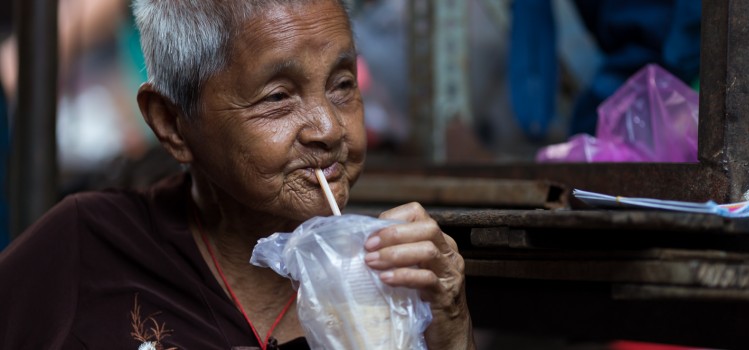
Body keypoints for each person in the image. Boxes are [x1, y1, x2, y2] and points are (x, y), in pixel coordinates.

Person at [0, 0, 475, 349]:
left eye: (342, 84)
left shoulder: (394, 280)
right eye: (277, 98)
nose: (329, 129)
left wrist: (451, 330)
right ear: (171, 122)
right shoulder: (89, 246)